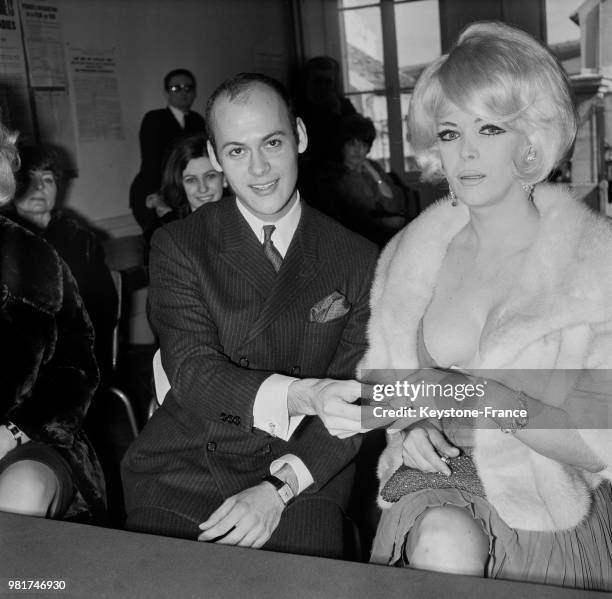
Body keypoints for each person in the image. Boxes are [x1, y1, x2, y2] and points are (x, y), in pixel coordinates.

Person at [321, 22, 612, 590]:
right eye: (451, 133)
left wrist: (475, 395)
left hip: (543, 500)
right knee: (443, 541)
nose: (467, 151)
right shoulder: (410, 254)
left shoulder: (593, 263)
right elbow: (388, 392)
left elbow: (596, 441)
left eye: (490, 128)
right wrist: (410, 428)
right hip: (432, 489)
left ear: (531, 140)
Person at [121, 72, 379, 559]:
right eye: (237, 150)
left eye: (272, 142)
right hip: (187, 462)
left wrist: (277, 489)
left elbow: (357, 400)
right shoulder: (180, 245)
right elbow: (195, 372)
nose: (259, 169)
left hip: (302, 469)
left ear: (299, 136)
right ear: (216, 157)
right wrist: (305, 393)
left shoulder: (359, 258)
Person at [0, 124, 105, 520]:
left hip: (28, 437)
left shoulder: (32, 257)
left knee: (22, 492)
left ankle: (28, 588)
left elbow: (76, 366)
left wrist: (13, 432)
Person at [3, 144, 118, 384]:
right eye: (28, 178)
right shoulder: (4, 240)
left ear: (58, 188)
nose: (39, 187)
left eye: (48, 179)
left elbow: (103, 308)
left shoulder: (81, 240)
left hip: (74, 359)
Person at [129, 68, 206, 231]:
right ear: (166, 93)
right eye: (176, 88)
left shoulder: (197, 120)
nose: (183, 92)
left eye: (188, 87)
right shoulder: (154, 119)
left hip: (185, 192)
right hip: (153, 190)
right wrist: (159, 197)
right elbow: (152, 161)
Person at [316, 113, 408, 246]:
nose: (358, 150)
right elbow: (348, 219)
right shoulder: (333, 176)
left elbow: (394, 204)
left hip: (385, 237)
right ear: (342, 145)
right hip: (355, 243)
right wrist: (383, 222)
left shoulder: (373, 167)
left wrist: (375, 175)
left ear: (369, 148)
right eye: (352, 143)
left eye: (363, 145)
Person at [143, 133, 226, 245]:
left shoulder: (247, 222)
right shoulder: (164, 233)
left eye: (210, 176)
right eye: (191, 180)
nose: (203, 188)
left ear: (224, 179)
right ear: (180, 184)